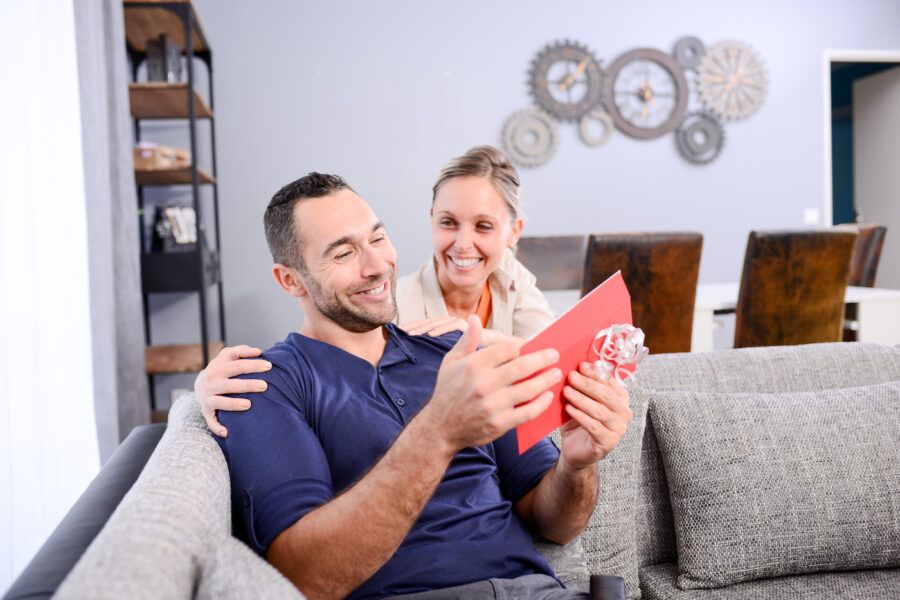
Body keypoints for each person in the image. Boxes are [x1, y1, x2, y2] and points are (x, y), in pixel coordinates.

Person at [216, 172, 632, 599]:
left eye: (378, 239)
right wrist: (439, 430)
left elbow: (557, 526)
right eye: (343, 253)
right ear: (290, 280)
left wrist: (577, 466)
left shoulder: (455, 353)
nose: (377, 266)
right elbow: (305, 579)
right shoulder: (263, 383)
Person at [198, 146, 553, 437]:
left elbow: (559, 357)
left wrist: (480, 339)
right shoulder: (388, 306)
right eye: (448, 222)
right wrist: (203, 386)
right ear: (431, 219)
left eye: (484, 226)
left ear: (513, 232)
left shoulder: (514, 279)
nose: (463, 244)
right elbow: (322, 340)